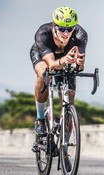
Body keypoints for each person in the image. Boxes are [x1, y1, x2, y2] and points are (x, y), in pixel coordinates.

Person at [30, 6, 88, 137]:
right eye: (62, 28)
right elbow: (51, 65)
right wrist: (64, 60)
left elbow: (79, 66)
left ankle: (65, 149)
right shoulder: (43, 33)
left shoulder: (80, 35)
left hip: (65, 60)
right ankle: (40, 119)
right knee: (45, 73)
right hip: (44, 56)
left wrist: (80, 64)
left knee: (70, 98)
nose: (66, 33)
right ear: (54, 25)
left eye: (69, 29)